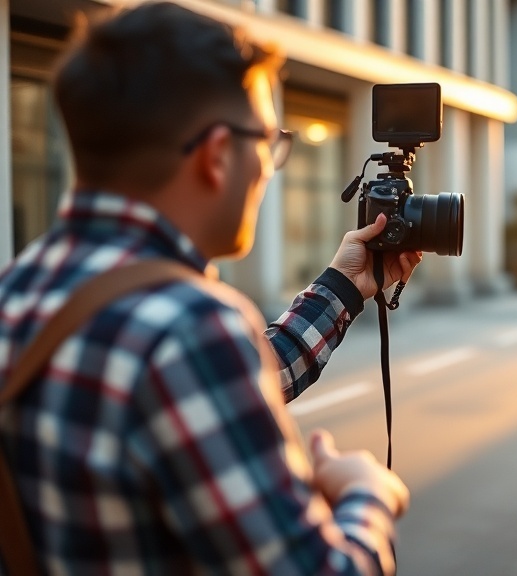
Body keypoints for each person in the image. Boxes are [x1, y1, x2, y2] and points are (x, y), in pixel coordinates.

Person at [0, 3, 421, 573]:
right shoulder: (190, 326)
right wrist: (366, 494)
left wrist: (345, 287)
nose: (268, 168)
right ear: (218, 154)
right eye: (268, 142)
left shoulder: (20, 291)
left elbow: (233, 378)